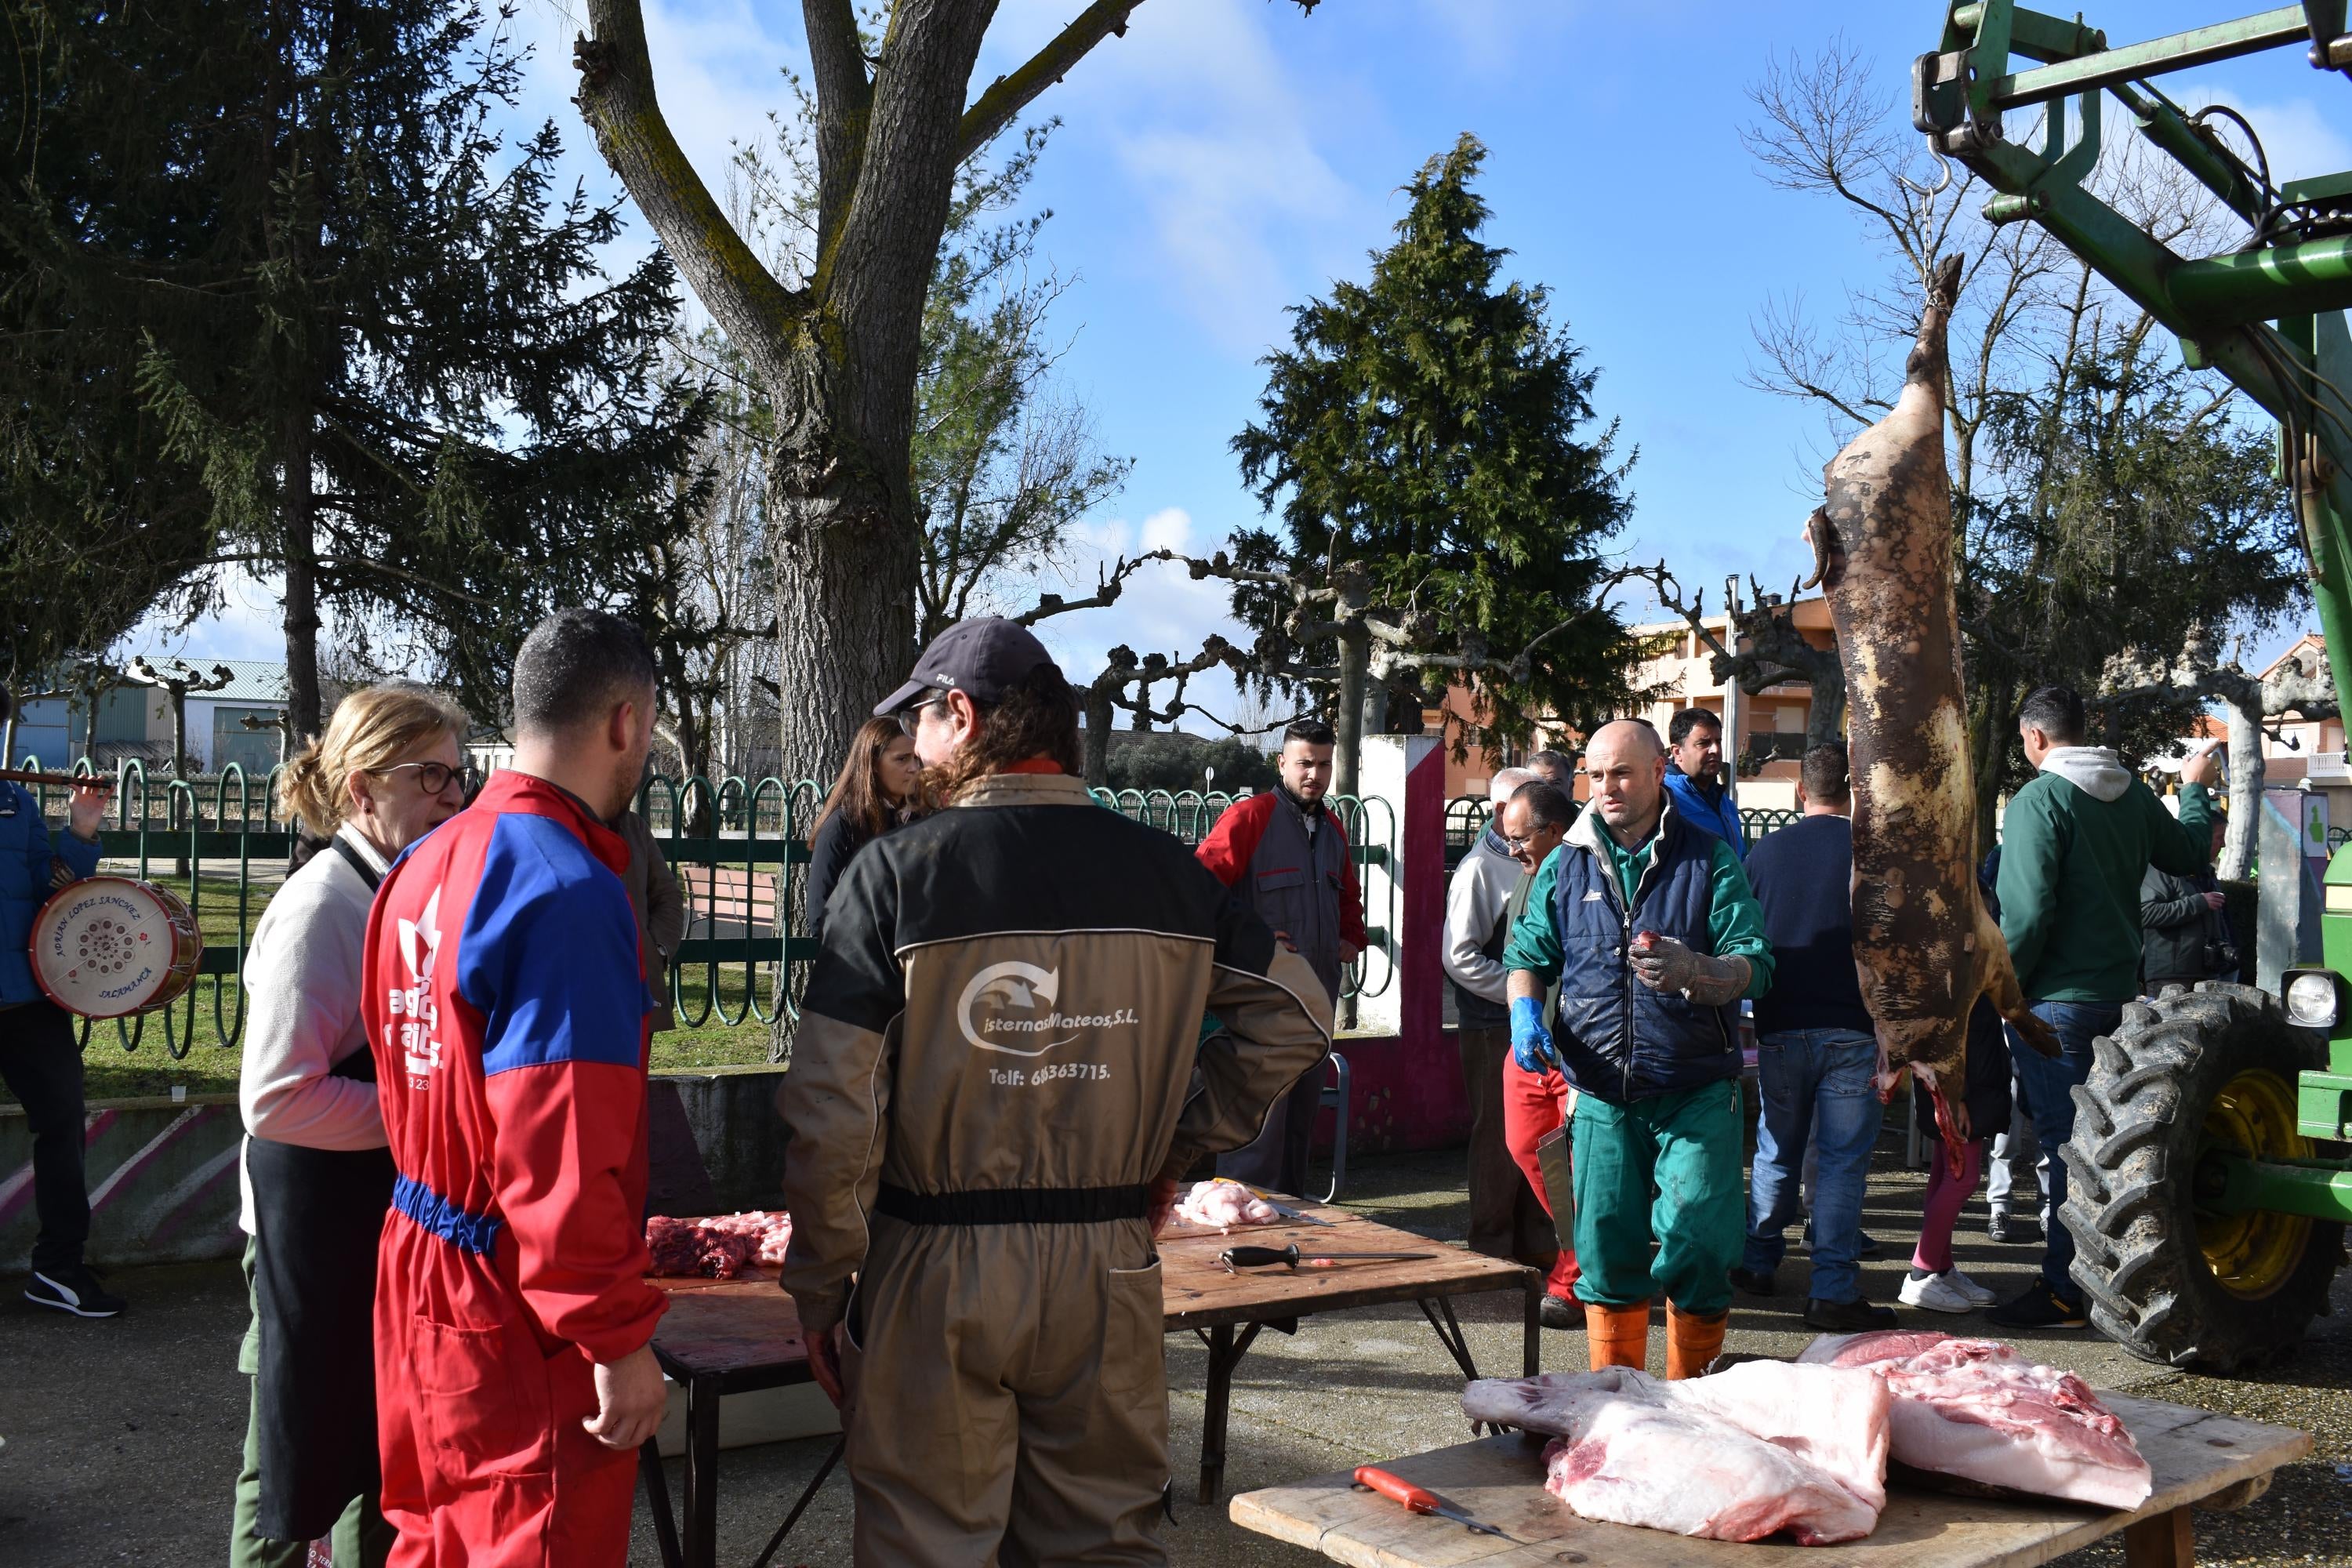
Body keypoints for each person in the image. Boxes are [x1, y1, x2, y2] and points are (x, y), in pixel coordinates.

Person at [777, 616, 1332, 1564]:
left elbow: (836, 1111)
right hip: (1108, 1267)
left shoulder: (893, 877)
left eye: (922, 720)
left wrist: (824, 1284)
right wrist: (1173, 1144)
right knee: (1099, 1544)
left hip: (935, 1272)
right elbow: (1300, 1011)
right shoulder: (1164, 871)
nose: (913, 745)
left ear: (964, 712)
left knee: (928, 1544)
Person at [362, 609, 670, 1564]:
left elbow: (399, 1069)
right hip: (516, 1307)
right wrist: (617, 1339)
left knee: (432, 1534)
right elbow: (561, 1155)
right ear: (626, 721)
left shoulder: (422, 861)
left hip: (418, 1271)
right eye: (650, 728)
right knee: (533, 1537)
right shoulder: (566, 891)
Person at [232, 683, 466, 1567]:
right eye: (432, 775)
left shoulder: (399, 888)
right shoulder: (320, 908)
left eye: (459, 774)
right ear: (363, 789)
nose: (453, 795)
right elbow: (277, 1096)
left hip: (371, 1212)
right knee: (286, 1460)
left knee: (377, 1443)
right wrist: (427, 1115)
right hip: (307, 1227)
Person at [1505, 720, 1773, 1377]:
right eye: (1595, 776)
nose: (1607, 789)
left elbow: (1756, 965)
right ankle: (1617, 1406)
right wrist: (1523, 1009)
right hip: (1598, 1092)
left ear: (1659, 771)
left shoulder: (1710, 857)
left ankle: (1693, 1400)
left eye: (1621, 773)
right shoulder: (1565, 863)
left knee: (1699, 1240)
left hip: (1695, 1089)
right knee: (1603, 1248)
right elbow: (1526, 955)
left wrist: (1697, 971)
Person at [1987, 684, 2220, 1329]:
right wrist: (2195, 788)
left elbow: (2028, 915)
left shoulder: (2040, 800)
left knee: (2066, 1148)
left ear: (2035, 738)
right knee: (2102, 1149)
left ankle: (2066, 1289)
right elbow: (2192, 854)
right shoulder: (2133, 794)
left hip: (2052, 1005)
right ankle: (2106, 1271)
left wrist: (2003, 992)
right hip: (2120, 999)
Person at [1729, 743, 1895, 1332]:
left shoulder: (1763, 854)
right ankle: (1831, 1289)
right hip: (1854, 1027)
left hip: (1779, 1024)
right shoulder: (1875, 855)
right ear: (1854, 795)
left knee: (1777, 1146)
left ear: (1801, 792)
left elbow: (1743, 935)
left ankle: (1757, 1261)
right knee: (1844, 1162)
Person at [1192, 717, 1365, 1196]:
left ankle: (1286, 1214)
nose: (1315, 774)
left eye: (1325, 764)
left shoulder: (1332, 828)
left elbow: (1347, 896)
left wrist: (1351, 938)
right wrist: (1250, 939)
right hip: (1259, 996)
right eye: (1305, 763)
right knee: (1258, 1114)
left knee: (1300, 1113)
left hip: (1317, 995)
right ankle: (1239, 1216)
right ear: (1282, 763)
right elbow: (1199, 892)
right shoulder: (1250, 817)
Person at [0, 691, 118, 1318]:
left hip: (26, 998)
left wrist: (80, 831)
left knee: (63, 1122)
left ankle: (57, 1269)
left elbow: (53, 887)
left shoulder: (15, 801)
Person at [1443, 768, 1555, 1279]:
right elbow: (1459, 957)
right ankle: (1490, 1245)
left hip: (1531, 1020)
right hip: (1492, 1022)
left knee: (1542, 1138)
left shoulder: (1542, 863)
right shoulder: (1479, 870)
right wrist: (1519, 993)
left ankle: (1536, 1241)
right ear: (1498, 812)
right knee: (1497, 1138)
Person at [1492, 778, 1583, 1327]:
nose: (1511, 849)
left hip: (1580, 1053)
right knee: (1527, 1147)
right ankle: (1587, 1251)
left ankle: (1575, 1276)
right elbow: (1518, 958)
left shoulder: (1585, 869)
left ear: (1554, 831)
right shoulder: (1527, 875)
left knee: (1578, 1166)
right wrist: (1521, 1017)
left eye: (1520, 837)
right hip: (1531, 1047)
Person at [1901, 862, 2010, 1316]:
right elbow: (1941, 1033)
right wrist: (1954, 1096)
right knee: (1963, 1178)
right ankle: (1922, 1272)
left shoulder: (1958, 958)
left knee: (1947, 1174)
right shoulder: (1947, 965)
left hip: (1969, 1084)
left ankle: (1940, 1267)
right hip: (1960, 1088)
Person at [1976, 844, 2048, 1245]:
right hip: (2008, 1016)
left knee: (2044, 1120)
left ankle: (2047, 1207)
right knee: (2010, 1124)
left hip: (2035, 1009)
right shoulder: (1996, 886)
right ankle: (2001, 1207)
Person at [805, 714, 924, 938]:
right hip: (860, 963)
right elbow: (820, 916)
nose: (914, 768)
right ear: (873, 764)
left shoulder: (924, 820)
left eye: (917, 759)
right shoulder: (842, 825)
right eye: (902, 759)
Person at [2141, 815, 2234, 994]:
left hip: (2207, 973)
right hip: (2171, 978)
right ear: (2203, 838)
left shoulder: (2206, 873)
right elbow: (2145, 913)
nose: (2223, 845)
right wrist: (2198, 903)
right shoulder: (2162, 869)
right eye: (2219, 837)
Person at [617, 807, 686, 1032]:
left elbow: (667, 894)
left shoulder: (633, 827)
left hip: (635, 991)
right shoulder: (547, 822)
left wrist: (657, 951)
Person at [1661, 707, 1745, 855]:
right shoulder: (1663, 798)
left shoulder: (1725, 802)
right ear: (1677, 752)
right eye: (1703, 743)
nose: (1715, 750)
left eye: (1718, 742)